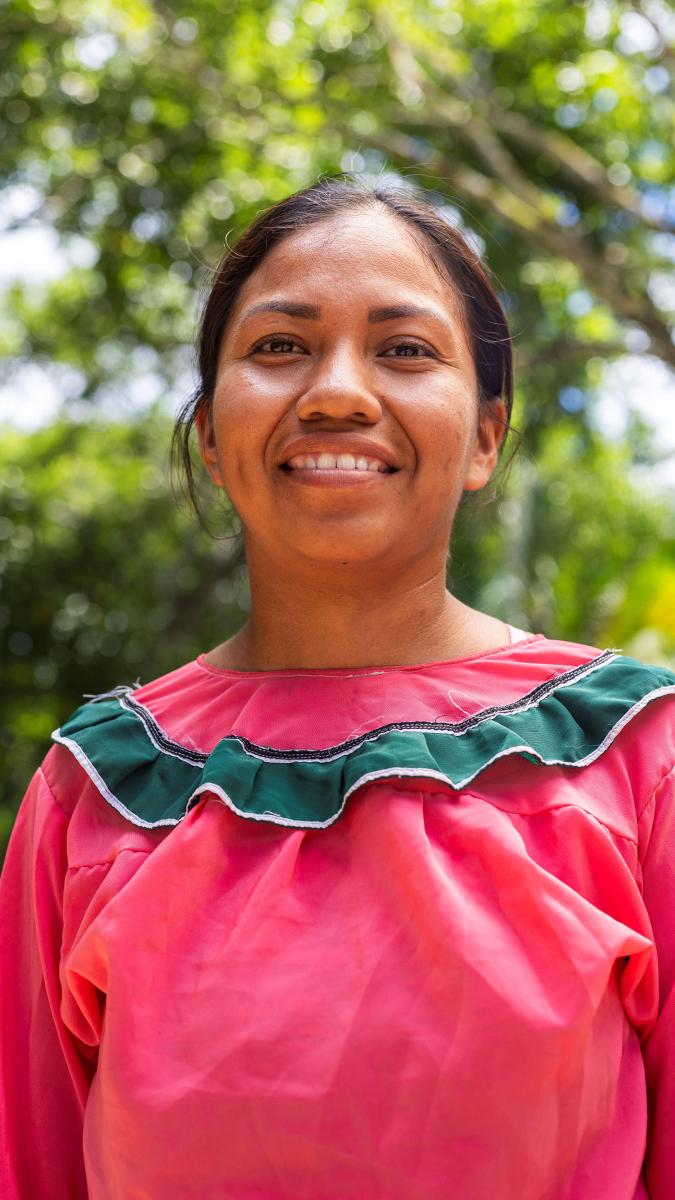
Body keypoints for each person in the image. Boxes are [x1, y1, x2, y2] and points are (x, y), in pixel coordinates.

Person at [1, 177, 674, 1200]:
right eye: (279, 347)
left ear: (488, 436)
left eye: (404, 349)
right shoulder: (91, 790)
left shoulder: (637, 756)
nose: (337, 393)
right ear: (214, 440)